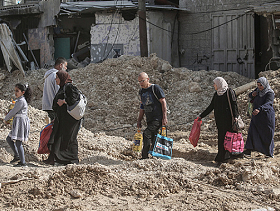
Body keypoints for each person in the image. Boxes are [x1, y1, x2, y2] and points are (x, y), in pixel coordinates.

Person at [44, 70, 82, 165]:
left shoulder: (69, 87)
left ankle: (72, 159)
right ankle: (53, 158)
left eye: (57, 77)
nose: (56, 79)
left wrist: (63, 101)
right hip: (61, 119)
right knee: (56, 136)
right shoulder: (62, 87)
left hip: (69, 120)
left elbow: (74, 98)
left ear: (62, 78)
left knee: (69, 138)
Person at [197, 77, 239, 164]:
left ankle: (227, 157)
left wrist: (236, 117)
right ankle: (221, 157)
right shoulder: (216, 94)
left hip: (228, 120)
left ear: (219, 84)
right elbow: (211, 106)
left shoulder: (229, 92)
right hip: (220, 121)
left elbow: (234, 105)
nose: (213, 85)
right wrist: (201, 116)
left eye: (215, 84)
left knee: (228, 138)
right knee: (221, 138)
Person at [137, 72, 168, 159]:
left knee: (146, 133)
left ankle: (144, 156)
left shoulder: (155, 88)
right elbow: (142, 106)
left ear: (147, 79)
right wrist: (139, 120)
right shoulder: (141, 91)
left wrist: (164, 117)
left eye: (142, 81)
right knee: (154, 136)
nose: (141, 83)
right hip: (149, 118)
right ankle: (155, 156)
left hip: (158, 118)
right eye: (139, 81)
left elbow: (163, 102)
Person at [243, 77, 275, 158]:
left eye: (261, 85)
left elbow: (269, 103)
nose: (260, 87)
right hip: (256, 116)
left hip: (266, 116)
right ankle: (248, 150)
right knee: (252, 131)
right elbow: (250, 95)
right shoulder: (257, 91)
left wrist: (260, 109)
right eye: (258, 85)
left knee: (267, 133)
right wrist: (252, 94)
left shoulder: (270, 93)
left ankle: (268, 153)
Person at [4, 83, 32, 167]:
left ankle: (23, 162)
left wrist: (6, 119)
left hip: (21, 123)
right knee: (9, 139)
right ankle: (17, 156)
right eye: (15, 91)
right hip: (18, 122)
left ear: (23, 92)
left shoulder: (21, 101)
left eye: (17, 91)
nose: (15, 93)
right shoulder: (19, 100)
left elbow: (13, 111)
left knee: (18, 142)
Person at [42, 57, 67, 121]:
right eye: (65, 66)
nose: (66, 68)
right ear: (61, 65)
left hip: (46, 107)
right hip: (54, 108)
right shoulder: (56, 76)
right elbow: (59, 92)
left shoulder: (48, 75)